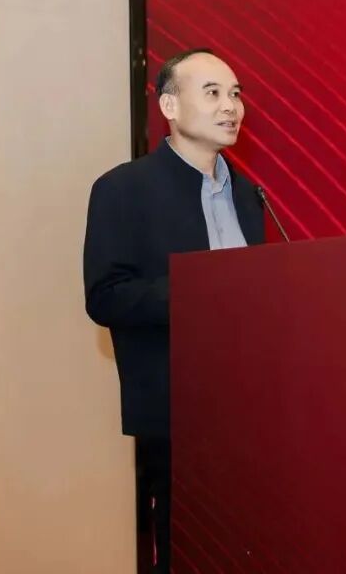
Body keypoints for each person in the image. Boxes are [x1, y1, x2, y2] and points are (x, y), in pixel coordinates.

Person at [83, 48, 265, 572]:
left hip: (256, 408)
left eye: (235, 94)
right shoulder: (123, 189)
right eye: (212, 93)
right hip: (177, 412)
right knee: (190, 550)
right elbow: (106, 295)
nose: (230, 106)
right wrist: (199, 291)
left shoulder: (249, 195)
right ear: (169, 105)